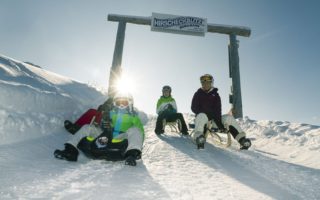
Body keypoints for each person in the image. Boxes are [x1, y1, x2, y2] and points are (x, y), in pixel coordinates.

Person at [54, 92, 145, 166]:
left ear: (129, 104)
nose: (121, 105)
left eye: (124, 103)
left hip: (120, 141)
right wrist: (104, 122)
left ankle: (131, 154)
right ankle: (70, 151)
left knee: (135, 130)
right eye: (118, 103)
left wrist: (137, 147)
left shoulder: (134, 117)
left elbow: (140, 134)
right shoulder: (110, 113)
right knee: (88, 128)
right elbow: (99, 124)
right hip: (104, 138)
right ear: (114, 104)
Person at [191, 74, 251, 149]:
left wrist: (220, 125)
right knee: (202, 115)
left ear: (211, 83)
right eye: (204, 83)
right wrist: (206, 112)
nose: (205, 85)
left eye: (208, 83)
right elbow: (194, 108)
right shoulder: (198, 94)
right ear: (202, 84)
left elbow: (218, 111)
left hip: (214, 120)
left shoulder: (216, 95)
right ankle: (199, 138)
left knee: (229, 118)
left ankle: (242, 140)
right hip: (203, 120)